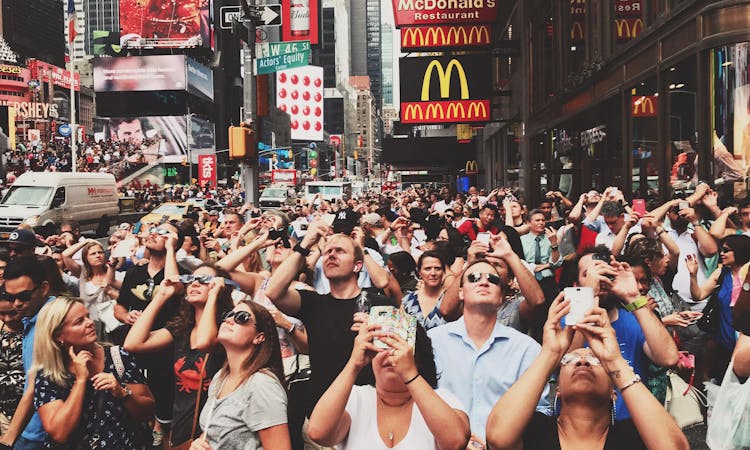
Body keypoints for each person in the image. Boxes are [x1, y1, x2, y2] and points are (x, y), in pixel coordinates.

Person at [485, 295, 689, 450]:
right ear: (558, 390)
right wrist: (550, 354)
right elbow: (497, 436)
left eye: (595, 360)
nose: (582, 360)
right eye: (570, 360)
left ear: (614, 392)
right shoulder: (536, 430)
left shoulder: (631, 436)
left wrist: (614, 361)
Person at [428, 258, 551, 444]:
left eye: (493, 279)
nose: (484, 281)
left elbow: (540, 411)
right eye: (474, 277)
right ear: (460, 292)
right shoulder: (432, 341)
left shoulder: (526, 349)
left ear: (501, 296)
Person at [307, 322, 470, 450]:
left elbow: (455, 442)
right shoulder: (356, 397)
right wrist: (354, 364)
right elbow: (318, 433)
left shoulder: (442, 399)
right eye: (382, 346)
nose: (391, 354)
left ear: (418, 358)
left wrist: (410, 375)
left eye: (400, 347)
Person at [123, 264, 233, 448]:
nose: (195, 284)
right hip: (181, 427)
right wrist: (162, 295)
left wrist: (214, 296)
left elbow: (205, 342)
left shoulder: (228, 328)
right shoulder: (182, 328)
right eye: (191, 280)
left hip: (212, 433)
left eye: (204, 280)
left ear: (219, 287)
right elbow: (133, 343)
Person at [31, 297, 154, 449]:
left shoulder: (118, 357)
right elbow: (60, 433)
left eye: (88, 316)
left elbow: (148, 411)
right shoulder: (49, 375)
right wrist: (80, 381)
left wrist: (123, 392)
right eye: (79, 322)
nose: (90, 323)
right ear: (58, 336)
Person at [188, 301, 290, 450]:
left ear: (259, 337)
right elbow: (215, 433)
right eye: (229, 315)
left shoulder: (262, 385)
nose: (229, 319)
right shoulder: (220, 378)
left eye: (241, 317)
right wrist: (199, 443)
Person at [0, 256, 55, 449]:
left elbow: (34, 387)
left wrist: (8, 440)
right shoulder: (31, 318)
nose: (16, 304)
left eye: (23, 297)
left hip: (39, 434)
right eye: (9, 296)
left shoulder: (50, 323)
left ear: (44, 288)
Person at [687, 234, 750, 380]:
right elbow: (698, 295)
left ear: (740, 251)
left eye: (726, 250)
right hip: (723, 342)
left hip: (745, 343)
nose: (721, 253)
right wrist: (693, 275)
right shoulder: (721, 273)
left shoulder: (748, 275)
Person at [62, 240, 123, 339]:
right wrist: (86, 241)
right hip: (91, 324)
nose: (98, 256)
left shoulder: (113, 274)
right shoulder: (82, 274)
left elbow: (125, 299)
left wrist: (109, 292)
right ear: (85, 258)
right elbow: (65, 255)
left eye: (100, 252)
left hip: (114, 323)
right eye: (93, 254)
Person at [401, 251, 461, 330]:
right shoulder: (407, 301)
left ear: (444, 272)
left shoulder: (451, 300)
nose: (433, 273)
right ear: (419, 272)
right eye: (427, 269)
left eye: (437, 268)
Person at [0, 294, 24, 436]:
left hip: (27, 413)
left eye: (12, 313)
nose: (7, 319)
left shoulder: (35, 333)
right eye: (2, 313)